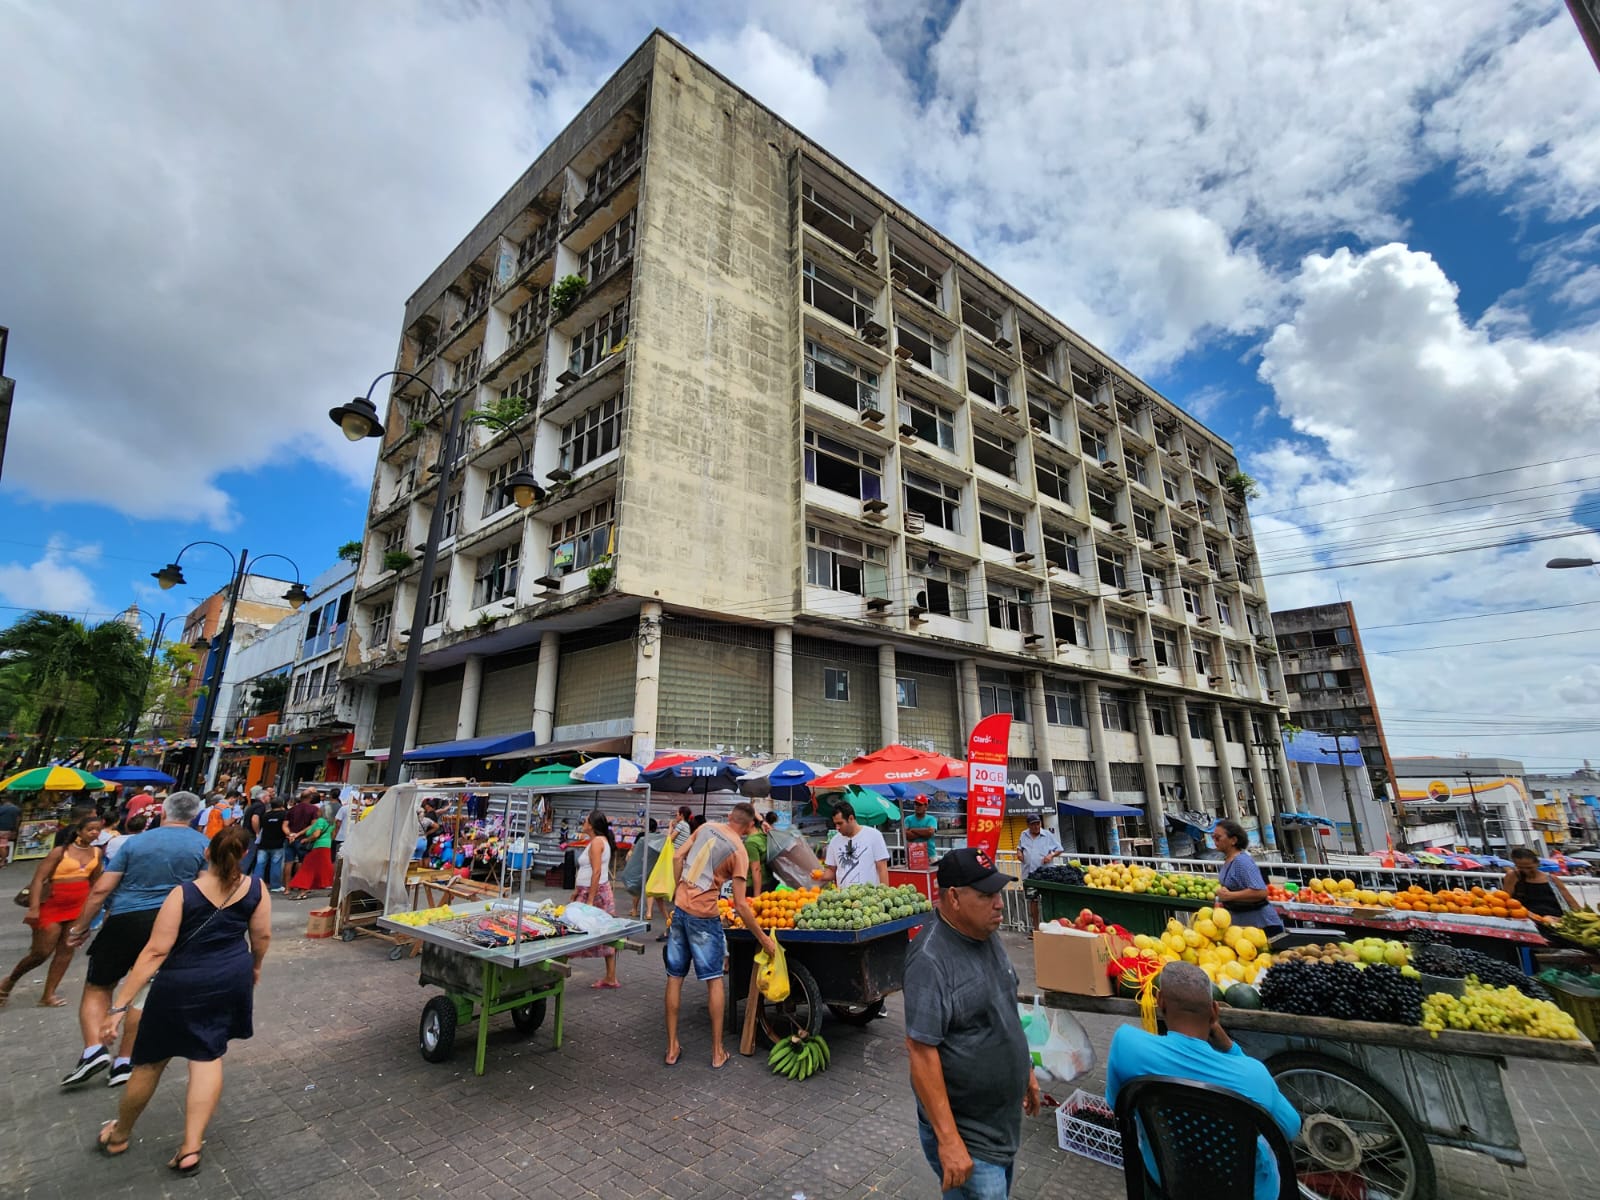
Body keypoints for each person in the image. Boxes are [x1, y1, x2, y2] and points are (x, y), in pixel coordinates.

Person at [91, 825, 271, 1172]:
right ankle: (191, 1147)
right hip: (230, 976)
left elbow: (156, 951)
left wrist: (119, 1006)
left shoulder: (183, 893)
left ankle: (119, 1134)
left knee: (150, 1061)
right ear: (244, 854)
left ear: (207, 854)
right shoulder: (256, 889)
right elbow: (261, 935)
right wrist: (256, 966)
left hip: (180, 982)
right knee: (208, 1056)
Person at [904, 847, 1040, 1197]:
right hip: (968, 1136)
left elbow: (1004, 1006)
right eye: (986, 895)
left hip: (1000, 1123)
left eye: (998, 892)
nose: (999, 903)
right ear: (953, 897)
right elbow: (921, 1052)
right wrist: (948, 1142)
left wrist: (1025, 1071)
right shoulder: (930, 960)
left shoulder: (986, 934)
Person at [1105, 961, 1301, 1200]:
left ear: (1160, 1001)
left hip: (1166, 1180)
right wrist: (1232, 1049)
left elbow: (1118, 1106)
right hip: (1248, 1191)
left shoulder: (1126, 1045)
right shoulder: (1253, 1075)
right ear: (1214, 1011)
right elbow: (1290, 1128)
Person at [61, 789, 208, 1089]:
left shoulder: (133, 842)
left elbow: (101, 890)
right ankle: (124, 1060)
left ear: (163, 813)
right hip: (172, 923)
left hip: (125, 919)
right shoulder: (204, 845)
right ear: (194, 817)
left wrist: (80, 928)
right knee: (144, 991)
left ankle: (93, 1048)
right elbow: (206, 890)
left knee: (99, 986)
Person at [663, 802, 776, 1069]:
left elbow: (677, 857)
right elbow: (740, 904)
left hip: (679, 911)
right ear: (749, 826)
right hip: (705, 919)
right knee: (713, 981)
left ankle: (671, 1049)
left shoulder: (705, 827)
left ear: (729, 816)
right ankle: (716, 1052)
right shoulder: (739, 851)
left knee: (674, 978)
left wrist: (678, 891)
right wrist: (764, 939)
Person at [0, 813, 106, 1007]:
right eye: (90, 829)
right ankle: (9, 981)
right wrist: (33, 908)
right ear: (79, 831)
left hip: (77, 907)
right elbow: (39, 879)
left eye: (97, 830)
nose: (94, 833)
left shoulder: (97, 853)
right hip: (52, 905)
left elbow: (95, 883)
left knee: (66, 951)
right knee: (41, 953)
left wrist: (91, 912)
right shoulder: (60, 852)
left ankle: (48, 994)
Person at [571, 812, 620, 989]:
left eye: (585, 821)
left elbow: (596, 871)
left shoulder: (597, 842)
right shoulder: (598, 841)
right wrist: (576, 890)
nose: (583, 823)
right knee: (605, 931)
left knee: (571, 928)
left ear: (591, 825)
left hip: (594, 892)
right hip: (593, 890)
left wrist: (590, 900)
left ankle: (554, 975)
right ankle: (611, 976)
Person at [1212, 819, 1282, 937]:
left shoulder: (1242, 861)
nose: (1214, 841)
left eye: (1218, 837)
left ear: (1233, 840)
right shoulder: (1228, 860)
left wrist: (1230, 896)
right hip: (1244, 925)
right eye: (1213, 837)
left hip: (1261, 926)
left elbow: (1261, 892)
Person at [1502, 846, 1580, 925]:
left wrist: (1581, 917)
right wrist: (1527, 913)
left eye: (1529, 867)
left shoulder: (1552, 879)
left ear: (1537, 863)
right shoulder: (1513, 876)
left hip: (1555, 919)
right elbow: (1505, 899)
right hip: (1526, 919)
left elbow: (1571, 902)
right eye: (1520, 867)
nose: (1526, 871)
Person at [822, 800, 890, 887]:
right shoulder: (834, 841)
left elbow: (882, 868)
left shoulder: (874, 835)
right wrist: (818, 875)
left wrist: (884, 894)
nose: (837, 828)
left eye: (840, 823)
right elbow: (831, 871)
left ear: (851, 818)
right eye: (835, 824)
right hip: (844, 898)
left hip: (870, 897)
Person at [284, 802, 336, 900]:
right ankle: (332, 888)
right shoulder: (331, 822)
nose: (317, 812)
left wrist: (306, 840)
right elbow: (333, 835)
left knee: (307, 867)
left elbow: (316, 834)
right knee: (325, 868)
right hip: (327, 846)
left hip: (318, 846)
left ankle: (303, 890)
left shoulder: (320, 821)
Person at [619, 819, 668, 920]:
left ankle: (634, 909)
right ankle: (649, 912)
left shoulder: (642, 836)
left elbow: (633, 848)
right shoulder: (659, 837)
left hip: (640, 865)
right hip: (653, 865)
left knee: (638, 887)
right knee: (649, 889)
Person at [252, 792, 291, 892]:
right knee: (276, 865)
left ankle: (255, 884)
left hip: (264, 843)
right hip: (278, 843)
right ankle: (275, 885)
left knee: (260, 864)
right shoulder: (284, 815)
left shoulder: (266, 815)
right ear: (282, 804)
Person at [1016, 812, 1065, 878]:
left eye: (1038, 824)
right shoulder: (1024, 834)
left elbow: (1060, 849)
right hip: (1027, 874)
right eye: (1033, 824)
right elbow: (1019, 847)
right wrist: (1019, 852)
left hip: (1043, 875)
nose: (1036, 827)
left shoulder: (1047, 835)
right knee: (1028, 888)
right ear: (1028, 825)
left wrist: (1051, 855)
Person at [743, 811, 777, 897]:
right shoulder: (763, 833)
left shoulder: (751, 842)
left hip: (754, 887)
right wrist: (762, 821)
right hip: (769, 882)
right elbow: (751, 808)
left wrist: (756, 896)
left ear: (751, 823)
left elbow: (756, 870)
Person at [286, 788, 319, 868]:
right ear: (310, 798)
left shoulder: (292, 809)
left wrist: (290, 834)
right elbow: (313, 825)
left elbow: (285, 824)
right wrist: (298, 834)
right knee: (301, 861)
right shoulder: (314, 809)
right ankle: (298, 880)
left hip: (290, 838)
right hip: (303, 839)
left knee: (288, 862)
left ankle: (286, 880)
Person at [0, 795, 22, 868]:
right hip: (8, 830)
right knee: (3, 846)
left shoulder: (1, 808)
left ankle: (3, 862)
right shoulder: (16, 809)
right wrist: (15, 829)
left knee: (2, 846)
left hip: (1, 829)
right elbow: (17, 820)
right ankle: (3, 861)